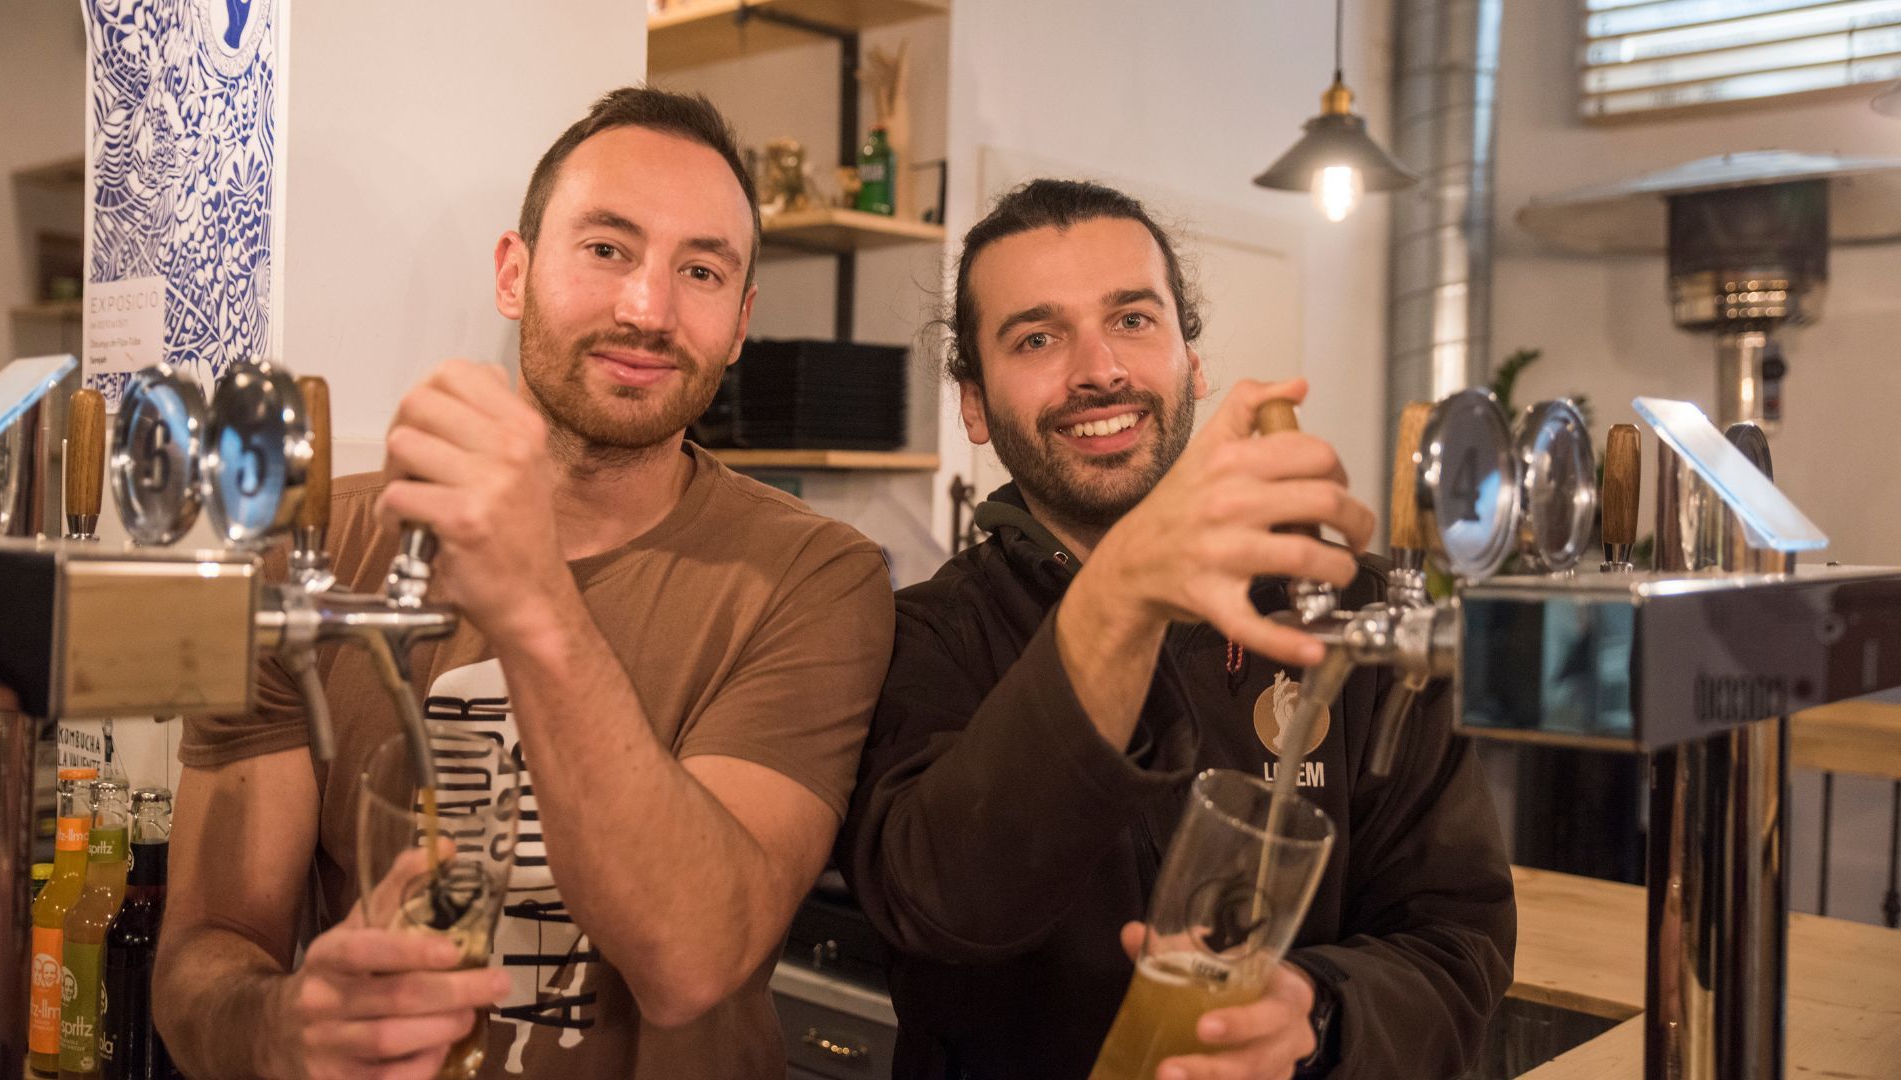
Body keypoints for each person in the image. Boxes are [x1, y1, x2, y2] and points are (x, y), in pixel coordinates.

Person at [154, 86, 894, 1079]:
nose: (649, 308)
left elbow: (693, 958)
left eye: (702, 270)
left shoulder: (814, 579)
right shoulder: (318, 543)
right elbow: (206, 945)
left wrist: (533, 596)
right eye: (607, 248)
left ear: (742, 320)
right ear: (515, 272)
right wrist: (284, 1029)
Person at [837, 179, 1515, 1080]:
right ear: (972, 402)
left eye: (1132, 320)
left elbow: (1458, 941)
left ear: (1192, 362)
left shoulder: (1352, 612)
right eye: (1037, 337)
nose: (1100, 370)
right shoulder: (924, 640)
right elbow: (943, 910)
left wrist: (1318, 1015)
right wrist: (1123, 591)